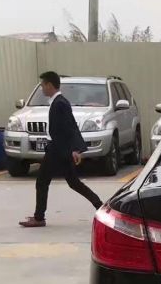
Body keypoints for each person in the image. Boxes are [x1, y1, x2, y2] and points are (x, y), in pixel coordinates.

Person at [19, 71, 103, 227]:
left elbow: (69, 127)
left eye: (43, 85)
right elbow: (71, 127)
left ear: (49, 85)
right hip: (61, 149)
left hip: (58, 150)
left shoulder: (60, 104)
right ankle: (100, 206)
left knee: (42, 181)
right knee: (74, 183)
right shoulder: (59, 102)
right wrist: (75, 149)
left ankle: (39, 218)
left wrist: (75, 149)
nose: (42, 88)